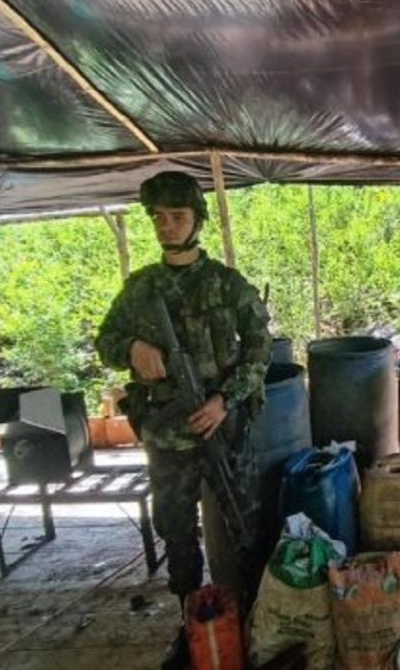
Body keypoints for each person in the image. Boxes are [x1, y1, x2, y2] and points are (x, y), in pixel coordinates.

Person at [95, 171, 271, 668]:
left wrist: (225, 400)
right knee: (176, 532)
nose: (167, 226)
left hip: (222, 429)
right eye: (159, 218)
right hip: (168, 436)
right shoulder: (140, 290)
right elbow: (105, 341)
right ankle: (191, 624)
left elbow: (259, 351)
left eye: (177, 217)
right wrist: (133, 347)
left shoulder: (227, 286)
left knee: (244, 526)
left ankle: (256, 618)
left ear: (197, 221)